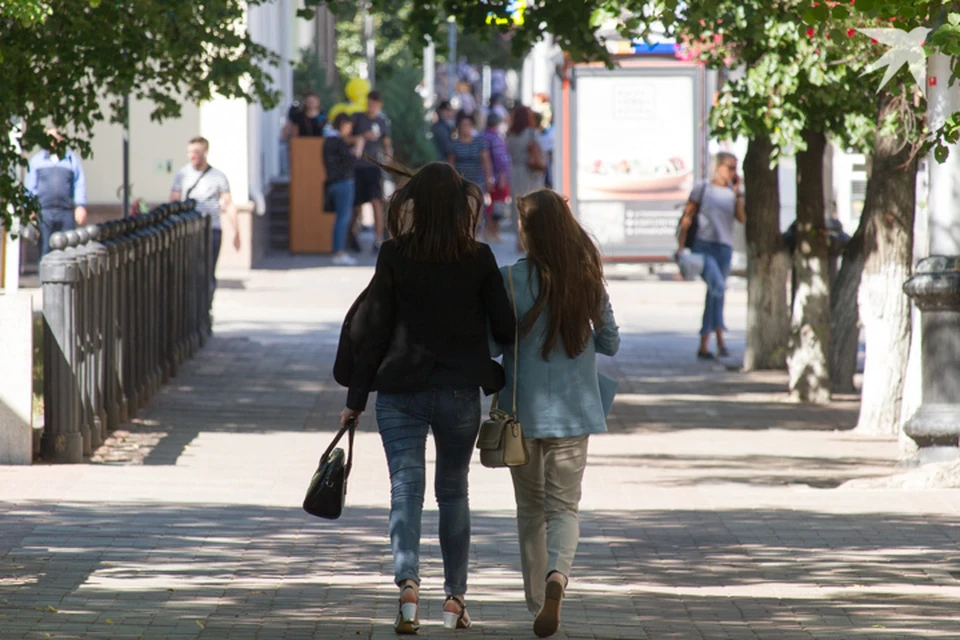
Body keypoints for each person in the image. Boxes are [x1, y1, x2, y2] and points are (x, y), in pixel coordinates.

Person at [338, 162, 515, 635]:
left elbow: (374, 331)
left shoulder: (394, 254)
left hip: (399, 392)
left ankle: (408, 589)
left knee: (405, 491)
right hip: (458, 393)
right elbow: (505, 327)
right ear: (461, 206)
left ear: (412, 204)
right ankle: (455, 599)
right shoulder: (478, 258)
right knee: (454, 492)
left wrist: (356, 398)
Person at [493, 189, 619, 638]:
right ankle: (557, 580)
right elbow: (610, 343)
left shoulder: (508, 279)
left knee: (530, 509)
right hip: (574, 412)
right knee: (564, 506)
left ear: (528, 231)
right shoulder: (586, 277)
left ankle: (535, 602)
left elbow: (493, 346)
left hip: (521, 415)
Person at [675, 151, 746, 360]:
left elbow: (741, 218)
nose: (733, 172)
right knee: (718, 287)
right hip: (703, 246)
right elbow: (687, 217)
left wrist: (738, 192)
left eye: (736, 168)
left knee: (716, 291)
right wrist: (680, 247)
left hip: (724, 247)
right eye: (730, 167)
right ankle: (720, 340)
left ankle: (705, 344)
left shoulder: (733, 193)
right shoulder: (702, 187)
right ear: (718, 166)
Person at [169, 136, 240, 296]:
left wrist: (236, 231)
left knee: (208, 270)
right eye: (189, 152)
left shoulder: (217, 176)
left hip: (212, 229)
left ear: (205, 152)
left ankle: (206, 306)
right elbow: (173, 201)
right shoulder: (182, 174)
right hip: (188, 229)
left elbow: (228, 204)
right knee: (190, 269)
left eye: (196, 152)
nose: (192, 156)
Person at [25, 127, 87, 258]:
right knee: (45, 249)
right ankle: (44, 279)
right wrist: (30, 208)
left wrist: (80, 205)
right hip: (44, 212)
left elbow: (79, 183)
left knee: (68, 250)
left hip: (66, 212)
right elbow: (30, 186)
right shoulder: (37, 160)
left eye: (53, 138)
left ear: (61, 139)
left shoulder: (70, 159)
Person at [351, 90, 392, 254]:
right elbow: (347, 137)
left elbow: (387, 142)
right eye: (369, 103)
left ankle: (378, 238)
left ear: (379, 105)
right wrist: (362, 136)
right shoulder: (358, 118)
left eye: (375, 104)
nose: (372, 107)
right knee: (357, 204)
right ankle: (353, 233)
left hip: (374, 166)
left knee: (377, 201)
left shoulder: (382, 122)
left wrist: (388, 157)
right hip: (358, 166)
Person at [324, 114, 363, 266]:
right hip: (343, 182)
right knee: (343, 218)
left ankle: (338, 250)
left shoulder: (328, 141)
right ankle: (339, 252)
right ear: (342, 125)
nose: (350, 130)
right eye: (348, 126)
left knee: (340, 218)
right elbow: (350, 161)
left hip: (334, 182)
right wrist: (358, 149)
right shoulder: (338, 142)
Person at [506, 106, 546, 251]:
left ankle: (519, 240)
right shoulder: (531, 133)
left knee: (518, 207)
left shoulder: (510, 134)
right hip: (530, 172)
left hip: (515, 172)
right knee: (532, 206)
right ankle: (531, 241)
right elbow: (540, 150)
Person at [448, 112, 494, 199]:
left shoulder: (480, 142)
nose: (465, 127)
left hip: (477, 181)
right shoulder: (454, 144)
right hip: (460, 181)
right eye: (463, 125)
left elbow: (486, 162)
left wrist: (489, 178)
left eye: (468, 125)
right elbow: (451, 164)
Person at [482, 113, 512, 241]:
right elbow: (500, 160)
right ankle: (494, 232)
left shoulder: (482, 136)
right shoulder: (495, 138)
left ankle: (489, 231)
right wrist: (502, 177)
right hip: (496, 177)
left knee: (489, 205)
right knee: (496, 205)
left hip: (484, 176)